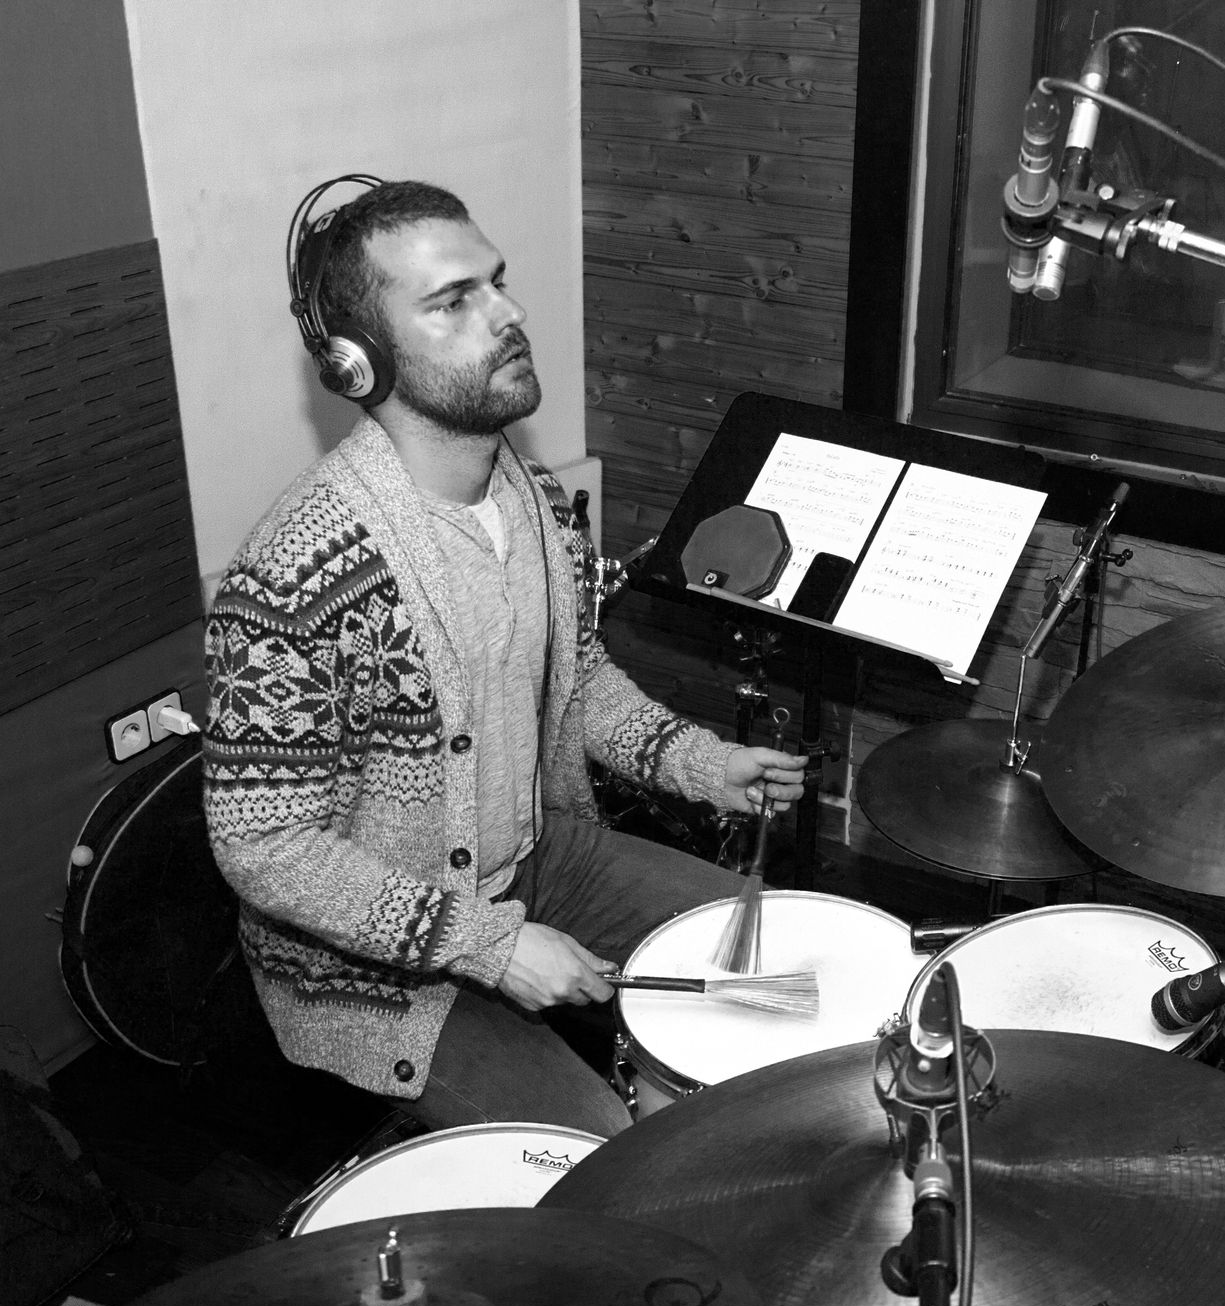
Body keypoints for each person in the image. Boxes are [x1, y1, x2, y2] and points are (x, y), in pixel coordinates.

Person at [201, 177, 804, 1137]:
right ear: (360, 363)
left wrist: (704, 764)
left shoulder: (531, 497)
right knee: (602, 1155)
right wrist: (488, 944)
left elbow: (574, 681)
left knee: (785, 964)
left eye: (496, 282)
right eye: (453, 301)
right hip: (372, 966)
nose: (508, 314)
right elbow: (262, 847)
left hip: (533, 858)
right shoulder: (296, 577)